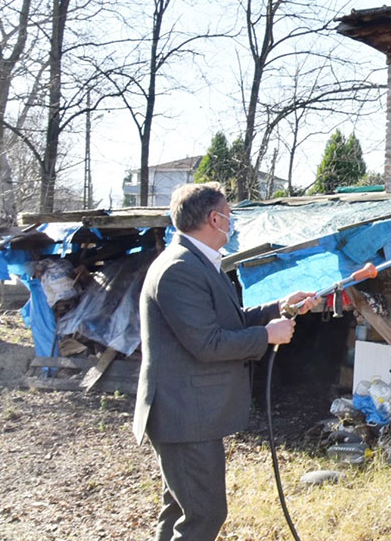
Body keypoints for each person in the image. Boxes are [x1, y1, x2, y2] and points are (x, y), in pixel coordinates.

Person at [133, 182, 318, 541]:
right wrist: (268, 335)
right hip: (183, 415)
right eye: (230, 217)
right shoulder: (179, 269)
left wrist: (279, 307)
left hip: (190, 414)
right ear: (214, 219)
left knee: (180, 510)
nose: (232, 225)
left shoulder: (199, 263)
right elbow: (207, 343)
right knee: (204, 514)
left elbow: (224, 320)